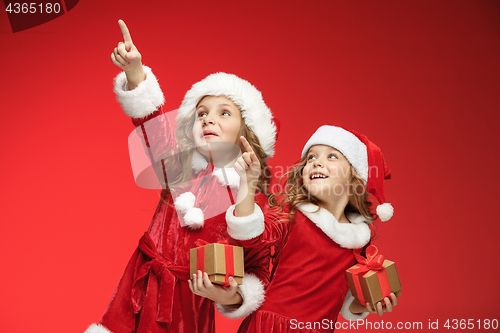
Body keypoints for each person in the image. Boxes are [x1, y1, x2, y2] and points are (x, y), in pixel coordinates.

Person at [85, 20, 278, 333]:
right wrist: (136, 72)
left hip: (186, 308)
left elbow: (257, 266)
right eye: (201, 113)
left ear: (247, 130)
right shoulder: (178, 166)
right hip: (138, 292)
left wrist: (228, 294)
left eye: (223, 112)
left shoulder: (249, 194)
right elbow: (152, 125)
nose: (208, 119)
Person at [200, 125, 398, 332]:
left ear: (355, 178)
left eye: (332, 156)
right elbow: (250, 235)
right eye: (311, 157)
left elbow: (344, 299)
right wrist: (248, 183)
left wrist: (369, 304)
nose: (316, 162)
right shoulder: (291, 214)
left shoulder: (358, 239)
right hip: (270, 327)